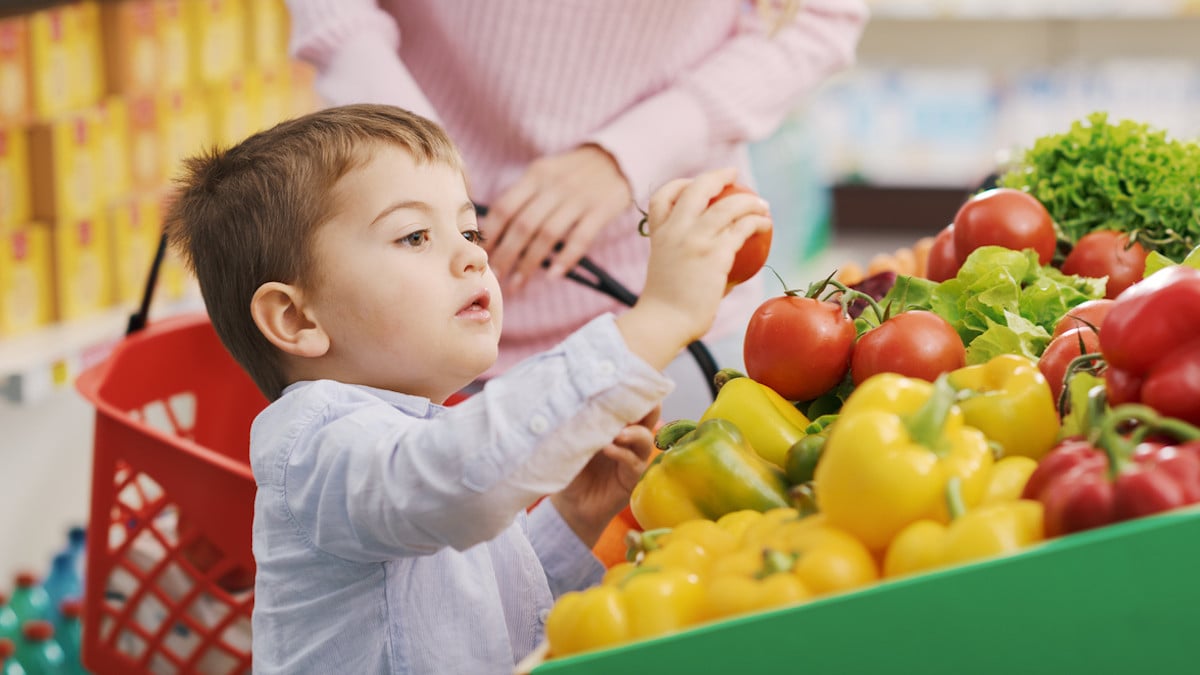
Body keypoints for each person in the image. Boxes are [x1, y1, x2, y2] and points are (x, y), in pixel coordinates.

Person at [163, 104, 771, 674]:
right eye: (414, 237)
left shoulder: (430, 438)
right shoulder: (318, 444)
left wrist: (573, 519)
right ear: (297, 319)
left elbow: (497, 625)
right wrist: (657, 316)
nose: (472, 259)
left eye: (470, 233)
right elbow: (455, 482)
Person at [284, 0, 869, 420]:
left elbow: (820, 15)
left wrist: (626, 156)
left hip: (675, 297)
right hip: (417, 328)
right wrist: (418, 156)